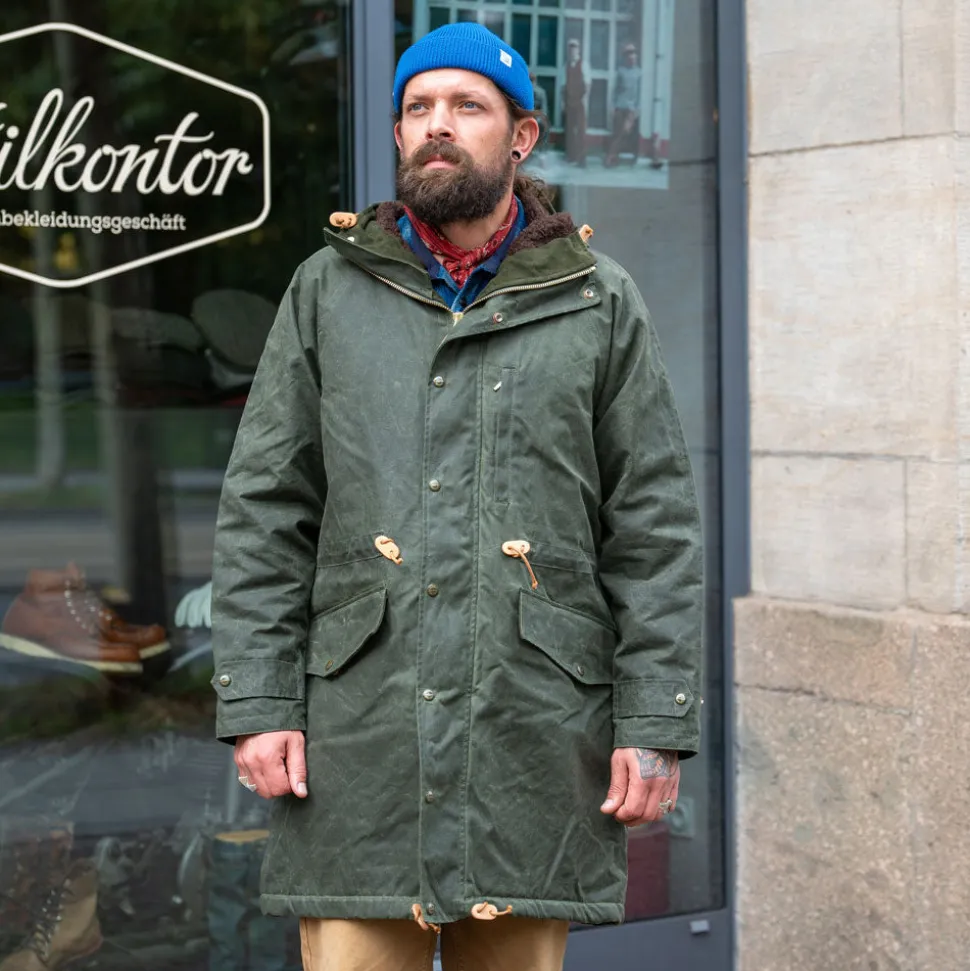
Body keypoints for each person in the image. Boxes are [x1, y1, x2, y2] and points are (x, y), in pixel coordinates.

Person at [211, 21, 703, 971]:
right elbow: (266, 506)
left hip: (533, 730)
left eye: (467, 105)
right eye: (419, 107)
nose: (438, 124)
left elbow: (654, 526)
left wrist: (654, 722)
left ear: (521, 136)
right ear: (399, 133)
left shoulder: (597, 298)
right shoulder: (327, 290)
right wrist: (261, 696)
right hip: (359, 733)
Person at [605, 42, 643, 167]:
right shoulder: (621, 71)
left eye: (633, 53)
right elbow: (615, 91)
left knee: (626, 132)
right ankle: (612, 157)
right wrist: (613, 106)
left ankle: (614, 156)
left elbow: (639, 92)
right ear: (625, 56)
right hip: (620, 107)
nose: (631, 56)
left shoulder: (638, 73)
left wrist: (637, 109)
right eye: (628, 54)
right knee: (618, 133)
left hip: (631, 109)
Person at [562, 38, 587, 166]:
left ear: (578, 50)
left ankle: (581, 159)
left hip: (580, 101)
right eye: (570, 49)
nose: (572, 51)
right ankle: (571, 156)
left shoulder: (584, 64)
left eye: (575, 48)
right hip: (569, 102)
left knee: (581, 130)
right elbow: (563, 86)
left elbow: (588, 84)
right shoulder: (566, 66)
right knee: (570, 129)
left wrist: (584, 100)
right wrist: (563, 102)